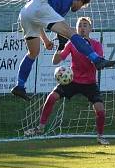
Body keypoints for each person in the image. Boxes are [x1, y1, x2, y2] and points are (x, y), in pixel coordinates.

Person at [11, 0, 115, 101]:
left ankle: (20, 85)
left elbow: (38, 19)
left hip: (26, 12)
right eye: (80, 5)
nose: (78, 8)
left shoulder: (60, 10)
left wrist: (45, 40)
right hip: (39, 5)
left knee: (33, 53)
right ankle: (96, 59)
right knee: (72, 33)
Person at [34, 17, 110, 145]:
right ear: (76, 29)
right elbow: (55, 61)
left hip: (90, 83)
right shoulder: (71, 43)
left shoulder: (96, 45)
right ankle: (40, 127)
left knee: (100, 110)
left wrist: (87, 50)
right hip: (72, 80)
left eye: (85, 25)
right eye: (80, 25)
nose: (82, 28)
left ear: (90, 29)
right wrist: (61, 46)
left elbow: (98, 63)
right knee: (52, 97)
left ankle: (100, 136)